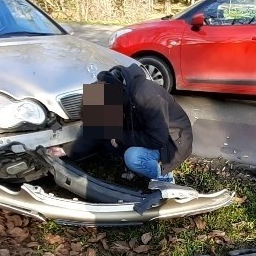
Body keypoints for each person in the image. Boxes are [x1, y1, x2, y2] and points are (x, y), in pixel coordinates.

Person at [53, 63, 193, 184]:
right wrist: (66, 150)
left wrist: (120, 136)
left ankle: (164, 177)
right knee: (109, 138)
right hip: (147, 131)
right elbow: (97, 129)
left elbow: (157, 139)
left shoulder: (147, 96)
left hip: (173, 141)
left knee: (133, 157)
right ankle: (134, 165)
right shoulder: (107, 88)